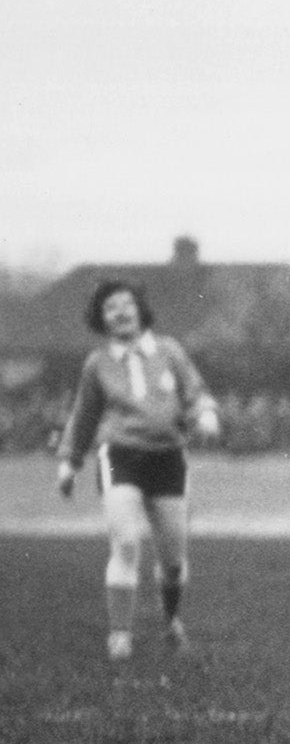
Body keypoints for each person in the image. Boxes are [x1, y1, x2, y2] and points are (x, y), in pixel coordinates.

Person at [54, 280, 223, 660]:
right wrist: (69, 463)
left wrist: (206, 414)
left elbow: (195, 393)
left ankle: (171, 619)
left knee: (174, 560)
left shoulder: (169, 351)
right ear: (101, 319)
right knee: (126, 541)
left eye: (126, 304)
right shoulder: (97, 364)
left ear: (140, 310)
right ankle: (120, 635)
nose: (120, 312)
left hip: (168, 458)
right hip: (120, 456)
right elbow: (84, 417)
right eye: (110, 307)